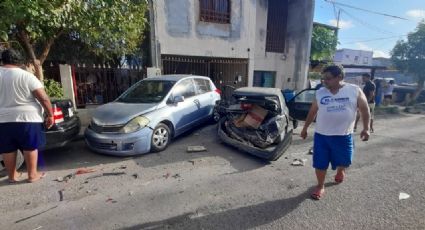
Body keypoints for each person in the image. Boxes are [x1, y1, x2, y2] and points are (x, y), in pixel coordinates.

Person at [300, 65, 370, 200]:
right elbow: (313, 111)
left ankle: (341, 170)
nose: (324, 81)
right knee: (320, 163)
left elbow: (364, 109)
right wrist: (305, 128)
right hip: (322, 136)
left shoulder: (354, 90)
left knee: (344, 161)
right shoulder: (320, 92)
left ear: (340, 77)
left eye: (328, 78)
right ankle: (320, 186)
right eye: (323, 78)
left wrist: (366, 128)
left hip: (343, 136)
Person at [0, 49, 54, 183]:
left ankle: (12, 176)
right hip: (28, 118)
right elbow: (43, 98)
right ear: (19, 61)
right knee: (30, 146)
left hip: (2, 118)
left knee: (7, 148)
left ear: (2, 60)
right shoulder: (27, 76)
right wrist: (50, 115)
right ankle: (32, 175)